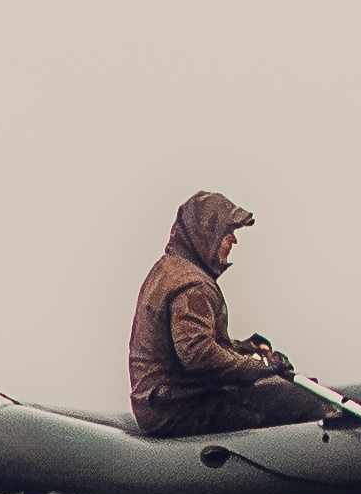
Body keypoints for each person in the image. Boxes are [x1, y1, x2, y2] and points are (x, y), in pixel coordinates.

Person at [126, 188, 329, 441]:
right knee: (300, 400)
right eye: (227, 232)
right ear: (207, 234)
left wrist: (241, 348)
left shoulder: (170, 269)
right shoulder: (191, 284)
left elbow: (192, 346)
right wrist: (261, 366)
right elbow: (197, 355)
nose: (233, 240)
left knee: (281, 391)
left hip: (164, 403)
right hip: (180, 408)